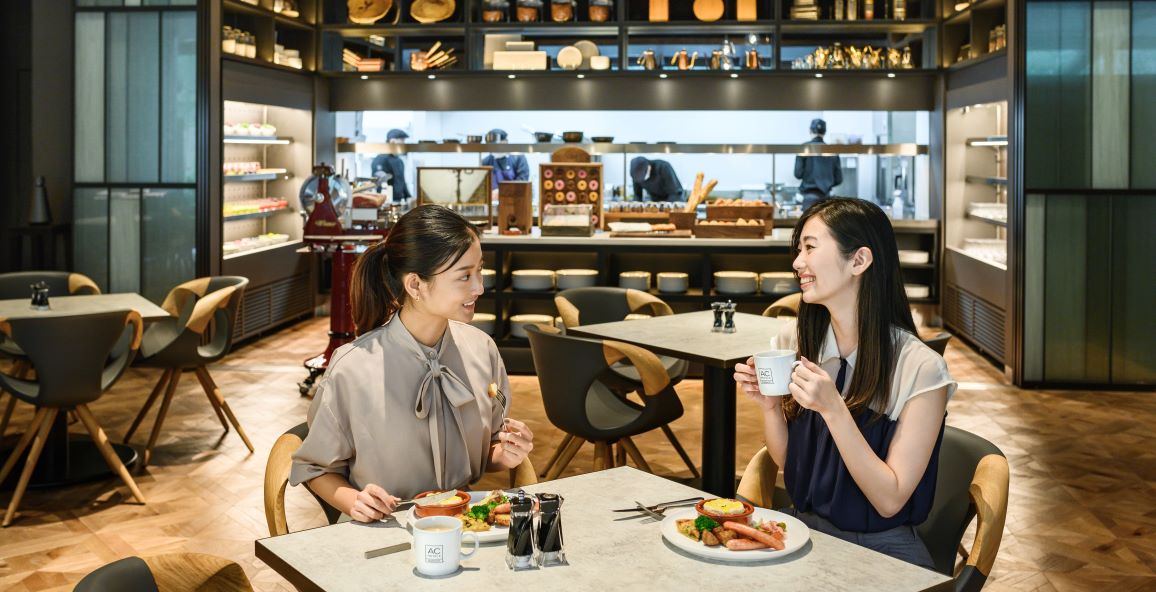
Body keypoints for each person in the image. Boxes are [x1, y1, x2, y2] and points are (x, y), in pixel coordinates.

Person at [733, 198, 955, 569]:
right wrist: (770, 406)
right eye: (798, 249)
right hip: (804, 534)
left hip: (881, 552)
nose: (797, 262)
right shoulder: (796, 342)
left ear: (859, 260)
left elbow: (889, 499)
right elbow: (793, 465)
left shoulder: (920, 370)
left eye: (810, 247)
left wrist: (834, 409)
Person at [290, 205, 535, 523]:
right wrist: (354, 502)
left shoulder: (482, 350)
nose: (479, 287)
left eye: (480, 271)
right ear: (415, 285)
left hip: (460, 528)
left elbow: (487, 449)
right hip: (380, 535)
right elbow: (316, 468)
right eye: (464, 276)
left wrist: (504, 453)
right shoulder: (354, 367)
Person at [793, 118, 843, 210]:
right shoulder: (832, 151)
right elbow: (839, 179)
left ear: (810, 131)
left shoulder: (804, 148)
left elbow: (798, 174)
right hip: (827, 199)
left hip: (808, 199)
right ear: (824, 132)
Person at [370, 128, 412, 202]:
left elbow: (402, 182)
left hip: (399, 201)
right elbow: (378, 183)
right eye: (401, 142)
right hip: (385, 202)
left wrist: (408, 197)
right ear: (392, 141)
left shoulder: (399, 161)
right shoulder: (380, 160)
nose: (403, 145)